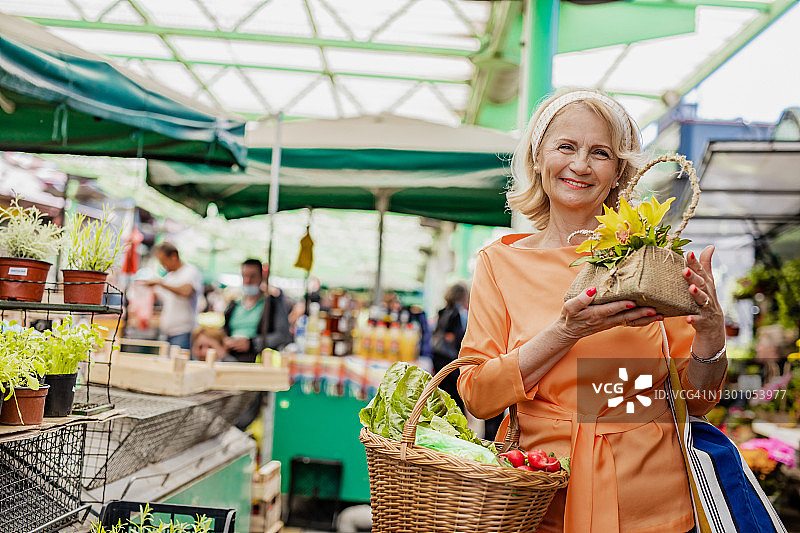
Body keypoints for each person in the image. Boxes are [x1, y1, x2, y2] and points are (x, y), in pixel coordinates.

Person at [457, 89, 727, 533]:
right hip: (540, 498)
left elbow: (696, 400)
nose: (580, 165)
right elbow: (479, 397)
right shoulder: (500, 263)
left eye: (599, 152)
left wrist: (711, 337)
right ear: (537, 157)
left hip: (652, 505)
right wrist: (565, 332)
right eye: (566, 146)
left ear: (619, 171)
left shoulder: (650, 258)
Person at [223, 258, 291, 362]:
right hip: (229, 356)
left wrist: (251, 344)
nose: (248, 280)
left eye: (253, 276)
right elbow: (223, 330)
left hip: (257, 358)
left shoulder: (272, 304)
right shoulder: (234, 305)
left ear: (262, 278)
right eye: (245, 276)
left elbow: (282, 335)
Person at [146, 242, 203, 351]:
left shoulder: (190, 271)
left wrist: (160, 283)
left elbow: (186, 291)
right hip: (167, 334)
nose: (163, 265)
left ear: (173, 256)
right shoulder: (169, 277)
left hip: (183, 332)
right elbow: (157, 296)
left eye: (163, 261)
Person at [432, 283, 469, 412]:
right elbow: (450, 336)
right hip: (449, 359)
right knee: (454, 397)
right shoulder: (456, 314)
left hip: (438, 356)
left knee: (442, 395)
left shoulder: (444, 311)